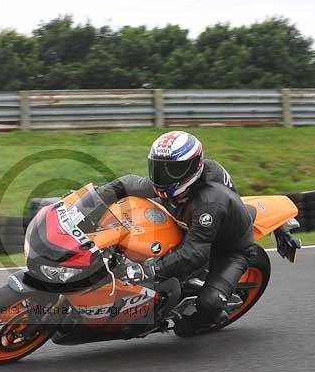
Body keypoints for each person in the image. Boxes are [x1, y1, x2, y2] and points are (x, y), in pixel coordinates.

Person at [97, 130, 257, 335]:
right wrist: (91, 197)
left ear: (193, 168)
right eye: (159, 167)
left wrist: (150, 270)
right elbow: (126, 184)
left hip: (228, 248)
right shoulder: (173, 184)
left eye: (172, 170)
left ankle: (211, 317)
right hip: (190, 226)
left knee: (205, 309)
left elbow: (195, 253)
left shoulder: (208, 203)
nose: (163, 175)